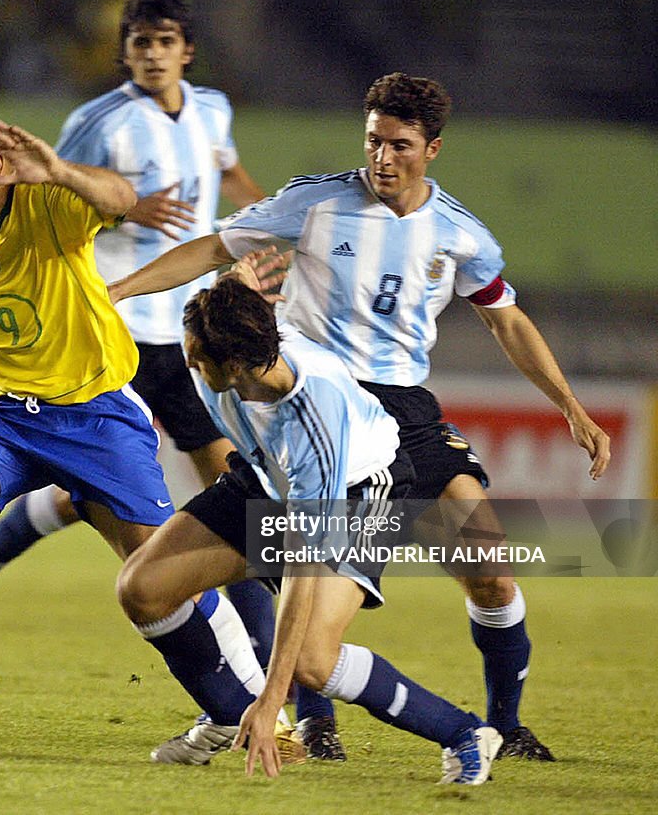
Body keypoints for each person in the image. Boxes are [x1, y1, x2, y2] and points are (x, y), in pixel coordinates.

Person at [109, 72, 611, 761]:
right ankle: (311, 718)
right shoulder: (316, 202)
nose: (382, 157)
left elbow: (507, 321)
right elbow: (211, 249)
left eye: (399, 144)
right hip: (309, 395)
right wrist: (118, 291)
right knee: (296, 554)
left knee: (490, 568)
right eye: (373, 140)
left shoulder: (460, 232)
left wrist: (571, 407)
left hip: (403, 409)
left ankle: (505, 723)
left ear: (432, 148)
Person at [0, 0, 290, 750]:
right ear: (125, 50)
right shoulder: (99, 121)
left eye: (163, 41)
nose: (151, 54)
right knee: (121, 488)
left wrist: (268, 227)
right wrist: (130, 206)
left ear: (186, 50)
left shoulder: (214, 110)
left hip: (191, 325)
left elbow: (228, 173)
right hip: (116, 323)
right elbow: (42, 196)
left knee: (220, 489)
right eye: (138, 42)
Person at [0, 103, 265, 724]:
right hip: (1, 416)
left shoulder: (49, 202)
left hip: (97, 415)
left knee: (163, 577)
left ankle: (256, 711)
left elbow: (122, 196)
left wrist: (59, 170)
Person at [117, 275, 501, 783]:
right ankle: (231, 713)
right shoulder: (241, 346)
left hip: (360, 492)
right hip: (263, 476)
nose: (187, 362)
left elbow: (302, 564)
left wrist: (274, 697)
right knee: (142, 589)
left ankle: (464, 733)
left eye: (196, 356)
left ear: (233, 365)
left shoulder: (312, 419)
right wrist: (240, 281)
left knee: (312, 662)